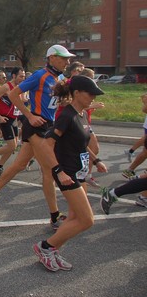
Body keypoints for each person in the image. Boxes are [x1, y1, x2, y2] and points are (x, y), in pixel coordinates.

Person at [0, 45, 73, 229]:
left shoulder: (60, 78)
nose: (67, 61)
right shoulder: (40, 75)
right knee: (49, 170)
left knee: (20, 164)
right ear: (52, 58)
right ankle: (55, 216)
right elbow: (14, 94)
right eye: (64, 58)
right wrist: (29, 115)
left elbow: (57, 101)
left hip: (48, 126)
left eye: (68, 58)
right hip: (36, 126)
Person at [32, 75, 107, 271]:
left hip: (79, 172)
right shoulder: (66, 116)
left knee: (74, 217)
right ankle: (45, 247)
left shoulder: (80, 114)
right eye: (90, 93)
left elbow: (81, 143)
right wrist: (59, 171)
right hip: (68, 173)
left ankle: (52, 250)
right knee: (86, 220)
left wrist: (95, 160)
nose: (93, 97)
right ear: (76, 93)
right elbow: (45, 145)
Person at [0, 67, 25, 174]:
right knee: (12, 145)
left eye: (24, 76)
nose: (23, 78)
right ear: (14, 76)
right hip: (4, 118)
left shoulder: (19, 88)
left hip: (14, 118)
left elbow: (21, 102)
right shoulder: (6, 87)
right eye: (21, 76)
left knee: (13, 147)